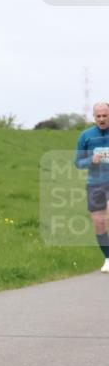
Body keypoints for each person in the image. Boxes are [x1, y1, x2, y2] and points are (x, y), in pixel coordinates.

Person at [75, 101, 109, 273]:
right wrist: (90, 160)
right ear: (94, 117)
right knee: (99, 222)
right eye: (99, 116)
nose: (102, 119)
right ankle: (108, 258)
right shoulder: (86, 136)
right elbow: (78, 163)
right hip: (95, 183)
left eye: (105, 115)